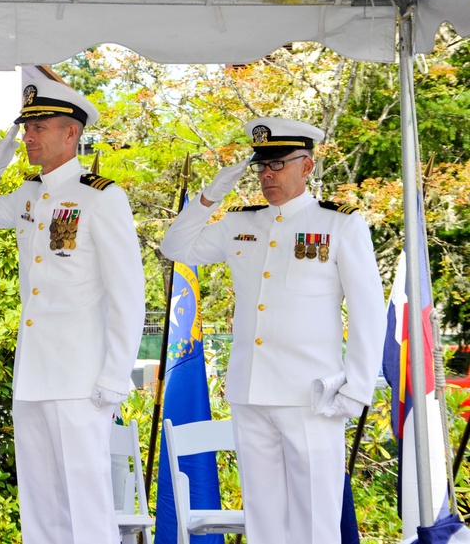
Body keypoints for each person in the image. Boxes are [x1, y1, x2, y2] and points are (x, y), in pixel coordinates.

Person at [160, 117, 387, 544]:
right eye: (261, 165)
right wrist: (210, 197)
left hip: (311, 395)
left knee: (316, 520)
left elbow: (367, 310)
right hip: (251, 391)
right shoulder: (241, 224)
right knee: (264, 521)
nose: (267, 174)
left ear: (308, 166)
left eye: (278, 164)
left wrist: (357, 388)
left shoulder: (340, 224)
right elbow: (175, 247)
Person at [0, 79, 146, 544]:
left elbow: (128, 293)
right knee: (41, 505)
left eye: (38, 127)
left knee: (85, 503)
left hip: (81, 377)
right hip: (34, 374)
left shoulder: (100, 197)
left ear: (70, 133)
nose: (28, 136)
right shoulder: (28, 195)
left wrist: (113, 374)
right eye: (25, 127)